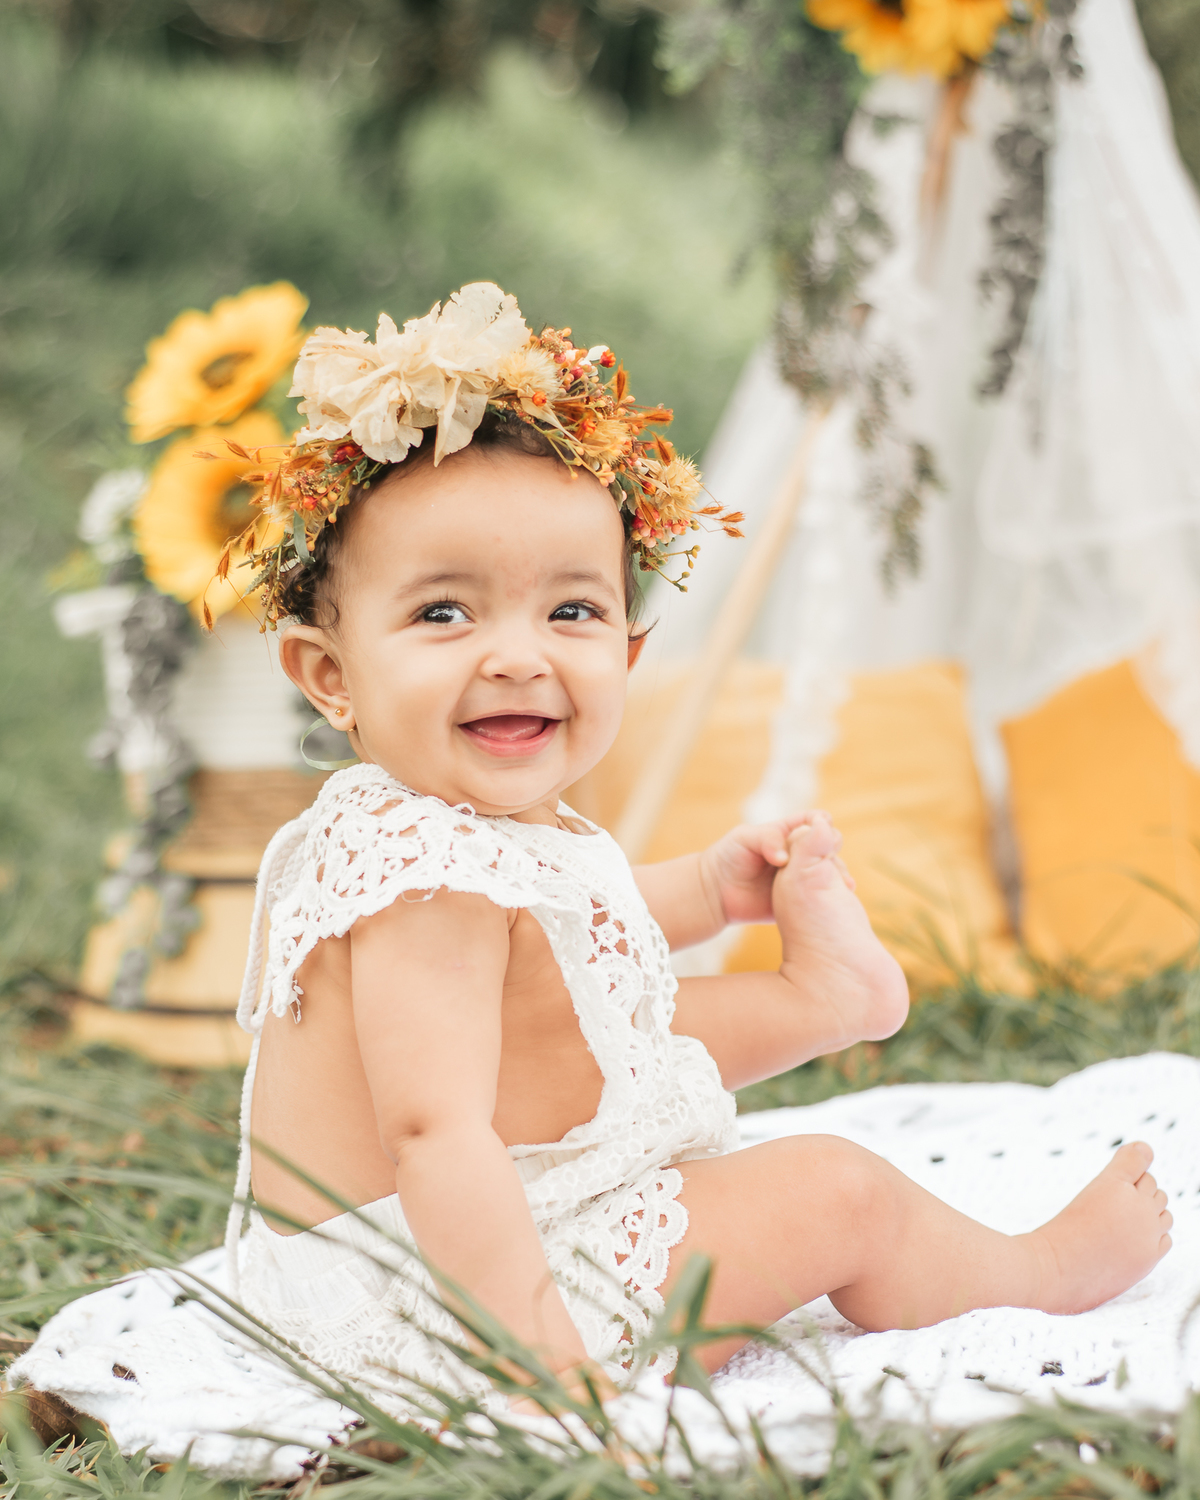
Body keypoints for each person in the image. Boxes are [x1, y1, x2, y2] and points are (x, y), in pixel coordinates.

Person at [220, 283, 1172, 1417]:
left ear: (630, 651)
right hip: (441, 1309)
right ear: (330, 675)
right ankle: (1042, 1271)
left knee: (598, 1027)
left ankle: (826, 999)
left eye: (571, 612)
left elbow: (567, 924)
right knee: (835, 1190)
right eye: (444, 614)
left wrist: (713, 892)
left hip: (400, 1261)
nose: (519, 657)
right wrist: (547, 1369)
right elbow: (434, 1137)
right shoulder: (426, 883)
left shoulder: (422, 821)